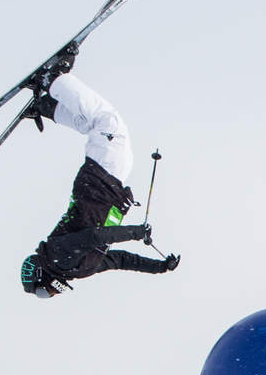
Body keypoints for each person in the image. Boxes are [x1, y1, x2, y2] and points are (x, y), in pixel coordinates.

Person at [18, 70, 179, 297]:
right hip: (109, 185)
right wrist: (159, 267)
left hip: (98, 182)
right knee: (97, 126)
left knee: (108, 121)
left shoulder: (59, 256)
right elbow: (119, 260)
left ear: (42, 275)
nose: (51, 294)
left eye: (44, 292)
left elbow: (95, 236)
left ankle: (53, 80)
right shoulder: (78, 268)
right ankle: (48, 107)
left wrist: (135, 233)